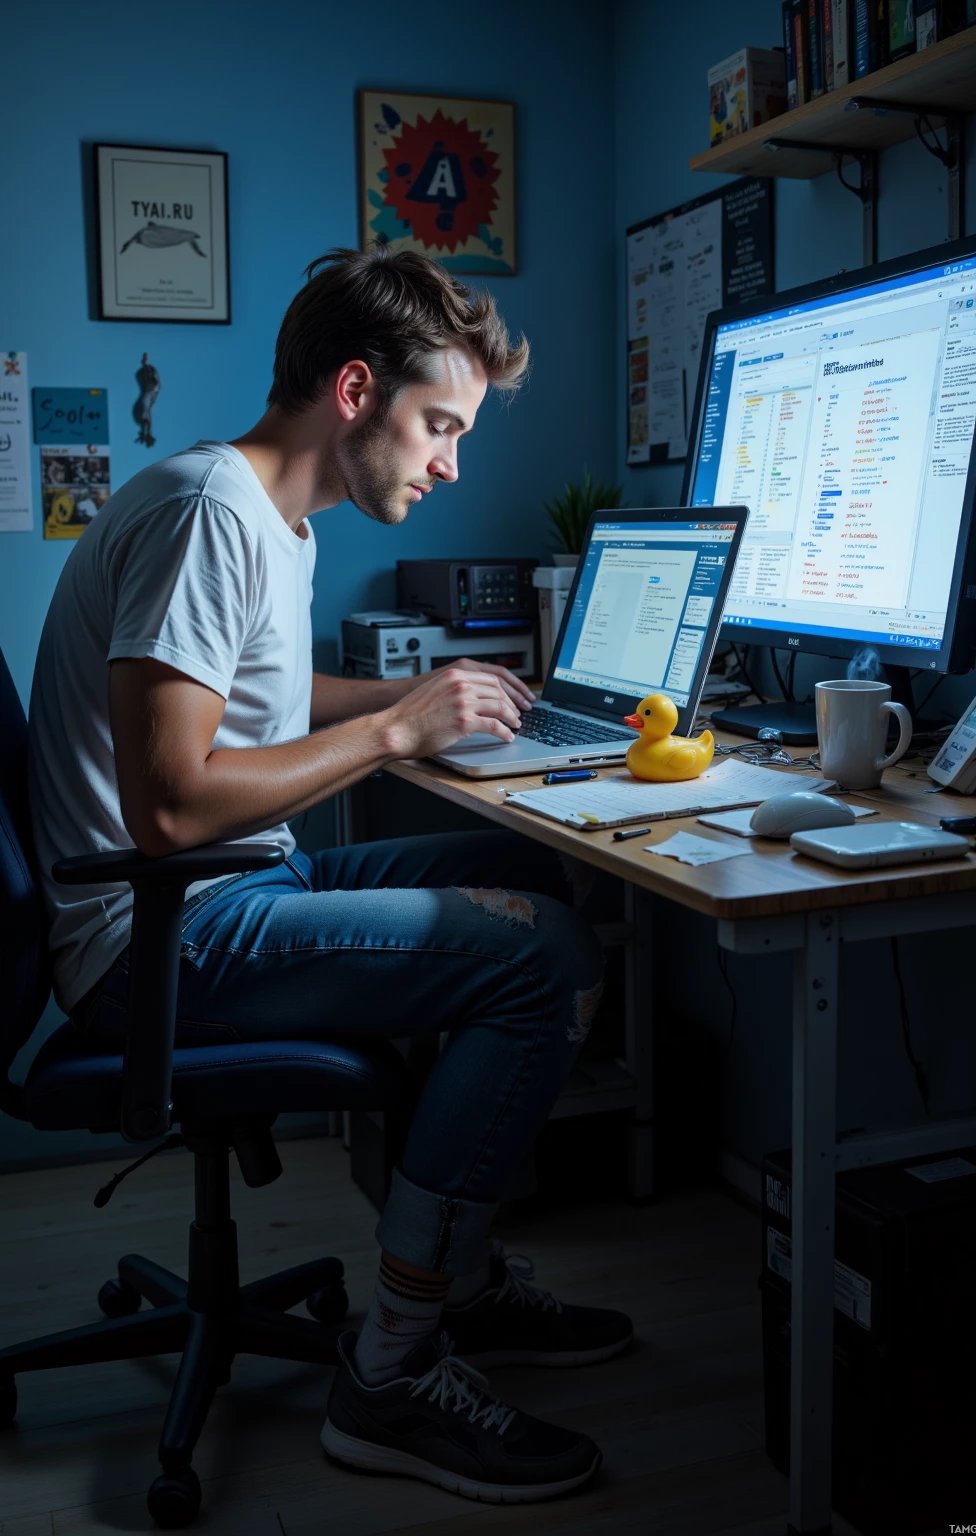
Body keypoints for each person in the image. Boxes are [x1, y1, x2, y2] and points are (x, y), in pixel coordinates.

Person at [28, 246, 631, 1505]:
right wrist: (396, 733)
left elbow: (262, 693)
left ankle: (451, 1277)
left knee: (535, 876)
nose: (450, 462)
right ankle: (395, 1370)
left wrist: (433, 703)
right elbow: (171, 802)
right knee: (542, 954)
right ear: (354, 391)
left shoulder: (269, 513)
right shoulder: (208, 516)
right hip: (160, 940)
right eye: (438, 426)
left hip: (226, 895)